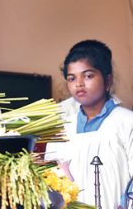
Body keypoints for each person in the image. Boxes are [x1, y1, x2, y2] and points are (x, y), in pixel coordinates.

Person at [45, 40, 133, 209]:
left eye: (88, 76)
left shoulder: (126, 122)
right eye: (72, 78)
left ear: (108, 81)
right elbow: (55, 179)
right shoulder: (62, 128)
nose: (79, 83)